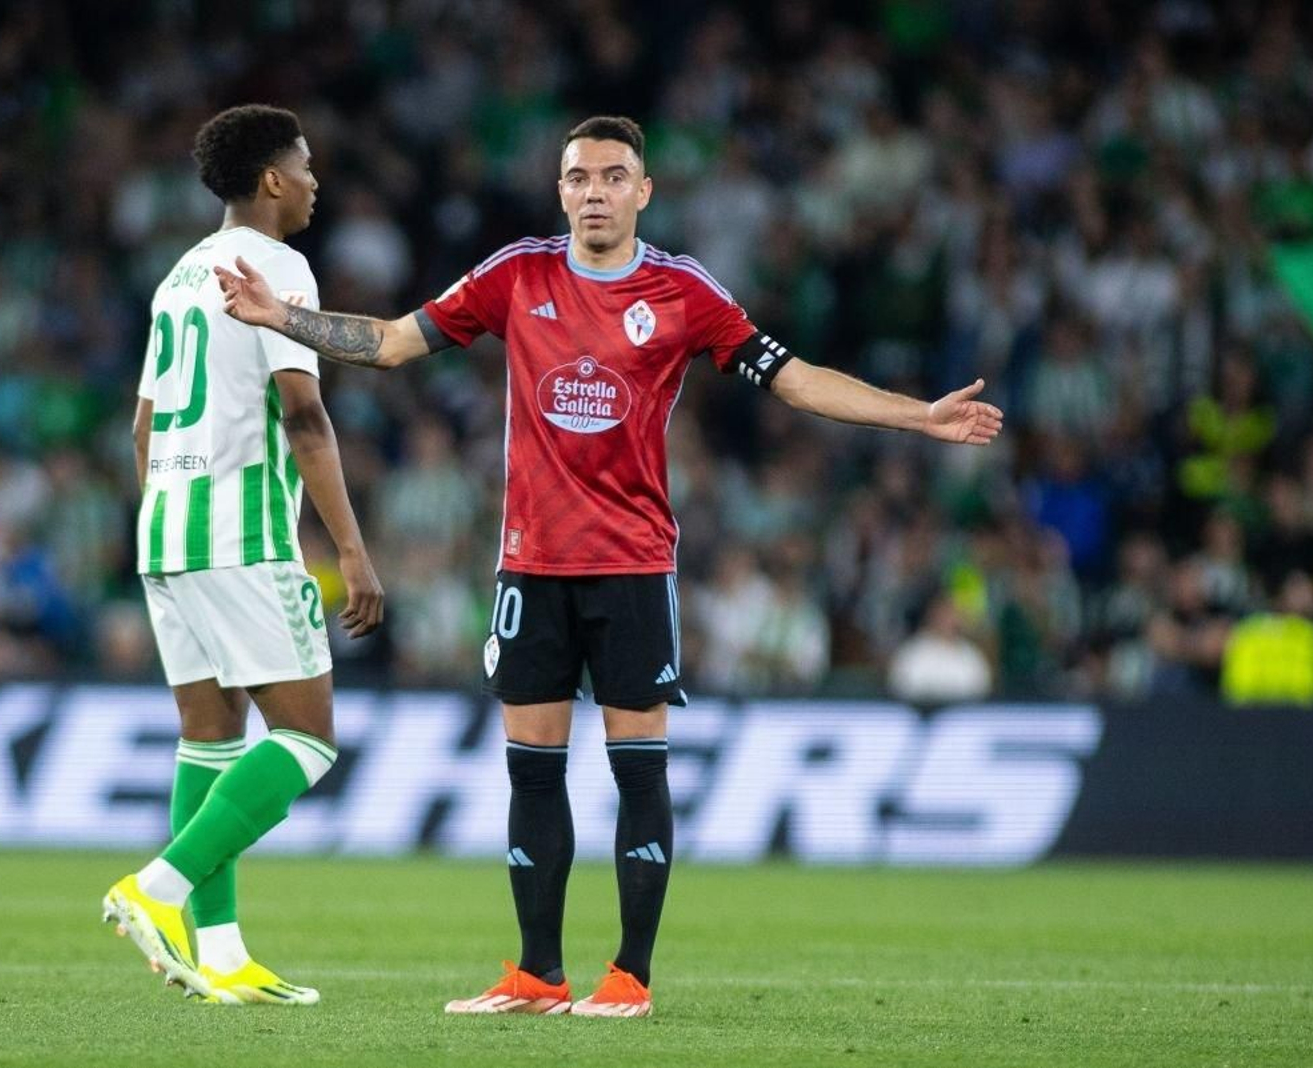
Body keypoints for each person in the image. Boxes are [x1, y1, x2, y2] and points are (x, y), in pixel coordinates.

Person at [214, 115, 1001, 1017]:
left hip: (632, 565)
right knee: (531, 770)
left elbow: (794, 378)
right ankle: (537, 974)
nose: (595, 192)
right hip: (531, 565)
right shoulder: (517, 275)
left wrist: (917, 416)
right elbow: (392, 342)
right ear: (560, 191)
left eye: (614, 176)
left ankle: (630, 976)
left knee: (638, 769)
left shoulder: (683, 291)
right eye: (579, 177)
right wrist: (283, 318)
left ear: (643, 191)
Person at [101, 104, 384, 1006]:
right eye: (304, 166)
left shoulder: (178, 275)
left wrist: (166, 520)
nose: (313, 182)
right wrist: (352, 550)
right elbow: (304, 415)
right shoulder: (275, 266)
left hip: (166, 529)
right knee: (308, 739)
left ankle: (220, 955)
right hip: (242, 532)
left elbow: (142, 427)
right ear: (270, 179)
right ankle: (156, 888)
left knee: (211, 740)